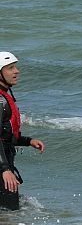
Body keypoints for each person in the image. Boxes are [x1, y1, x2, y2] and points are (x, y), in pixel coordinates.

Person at [0, 51, 45, 210]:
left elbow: (5, 135)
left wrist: (28, 141)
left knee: (8, 214)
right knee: (10, 214)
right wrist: (5, 170)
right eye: (10, 68)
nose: (16, 71)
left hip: (5, 161)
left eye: (16, 67)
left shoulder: (4, 96)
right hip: (2, 166)